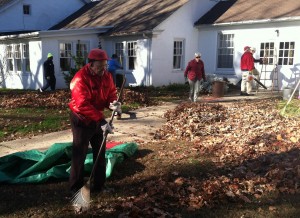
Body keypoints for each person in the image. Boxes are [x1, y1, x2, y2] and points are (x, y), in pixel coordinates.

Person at [68, 48, 122, 194]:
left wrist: (113, 104)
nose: (102, 70)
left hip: (97, 117)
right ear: (90, 64)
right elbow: (82, 104)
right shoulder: (80, 78)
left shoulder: (106, 76)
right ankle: (76, 188)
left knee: (100, 152)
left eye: (105, 66)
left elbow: (111, 93)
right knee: (80, 154)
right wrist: (102, 121)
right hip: (81, 119)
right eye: (99, 67)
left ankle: (99, 186)